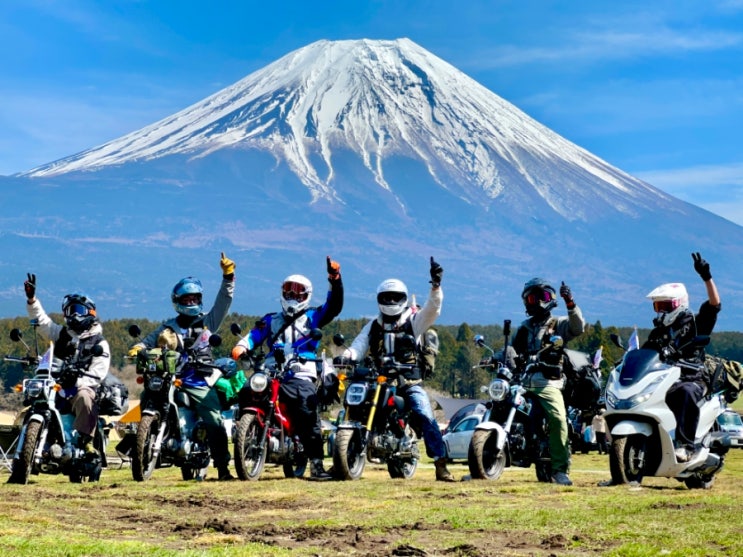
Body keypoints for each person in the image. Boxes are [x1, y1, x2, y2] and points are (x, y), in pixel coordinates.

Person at [340, 257, 455, 482]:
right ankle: (345, 457)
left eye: (395, 297)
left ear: (403, 298)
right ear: (379, 299)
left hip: (408, 382)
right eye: (387, 297)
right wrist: (346, 356)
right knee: (355, 403)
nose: (391, 301)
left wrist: (435, 286)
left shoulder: (414, 321)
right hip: (379, 380)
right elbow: (359, 345)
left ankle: (440, 465)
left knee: (425, 414)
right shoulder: (373, 325)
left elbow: (433, 310)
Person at [231, 256, 343, 481]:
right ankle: (246, 430)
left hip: (301, 372)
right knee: (247, 390)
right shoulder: (270, 319)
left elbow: (334, 306)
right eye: (288, 292)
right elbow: (253, 336)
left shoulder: (313, 316)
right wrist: (242, 347)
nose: (292, 296)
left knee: (307, 408)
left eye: (298, 293)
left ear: (306, 296)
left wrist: (335, 279)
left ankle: (316, 464)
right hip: (272, 371)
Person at [128, 252, 236, 480]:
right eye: (186, 299)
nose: (191, 303)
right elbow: (147, 341)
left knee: (213, 418)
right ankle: (142, 442)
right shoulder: (168, 327)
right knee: (147, 396)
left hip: (199, 377)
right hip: (170, 376)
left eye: (194, 299)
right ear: (177, 301)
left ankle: (223, 467)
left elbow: (223, 303)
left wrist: (228, 277)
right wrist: (138, 348)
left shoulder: (207, 322)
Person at [643, 252, 721, 463]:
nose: (661, 311)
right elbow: (647, 353)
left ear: (679, 304)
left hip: (692, 377)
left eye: (665, 306)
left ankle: (686, 446)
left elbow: (714, 305)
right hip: (665, 379)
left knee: (685, 392)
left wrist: (706, 277)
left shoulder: (695, 323)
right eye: (658, 306)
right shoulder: (659, 331)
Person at [23, 274, 110, 455]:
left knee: (85, 397)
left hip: (81, 387)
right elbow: (42, 322)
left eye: (79, 310)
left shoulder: (99, 342)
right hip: (57, 385)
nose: (75, 315)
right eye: (70, 311)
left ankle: (86, 442)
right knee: (35, 397)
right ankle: (30, 444)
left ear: (90, 312)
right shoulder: (62, 334)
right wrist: (32, 300)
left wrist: (77, 381)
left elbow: (99, 373)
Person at [510, 277, 586, 486]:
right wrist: (494, 358)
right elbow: (511, 350)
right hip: (523, 382)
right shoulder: (524, 328)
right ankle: (483, 462)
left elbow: (578, 328)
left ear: (550, 298)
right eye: (531, 298)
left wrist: (570, 302)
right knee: (498, 404)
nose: (536, 302)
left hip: (548, 382)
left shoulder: (558, 324)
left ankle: (560, 470)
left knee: (558, 419)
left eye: (540, 297)